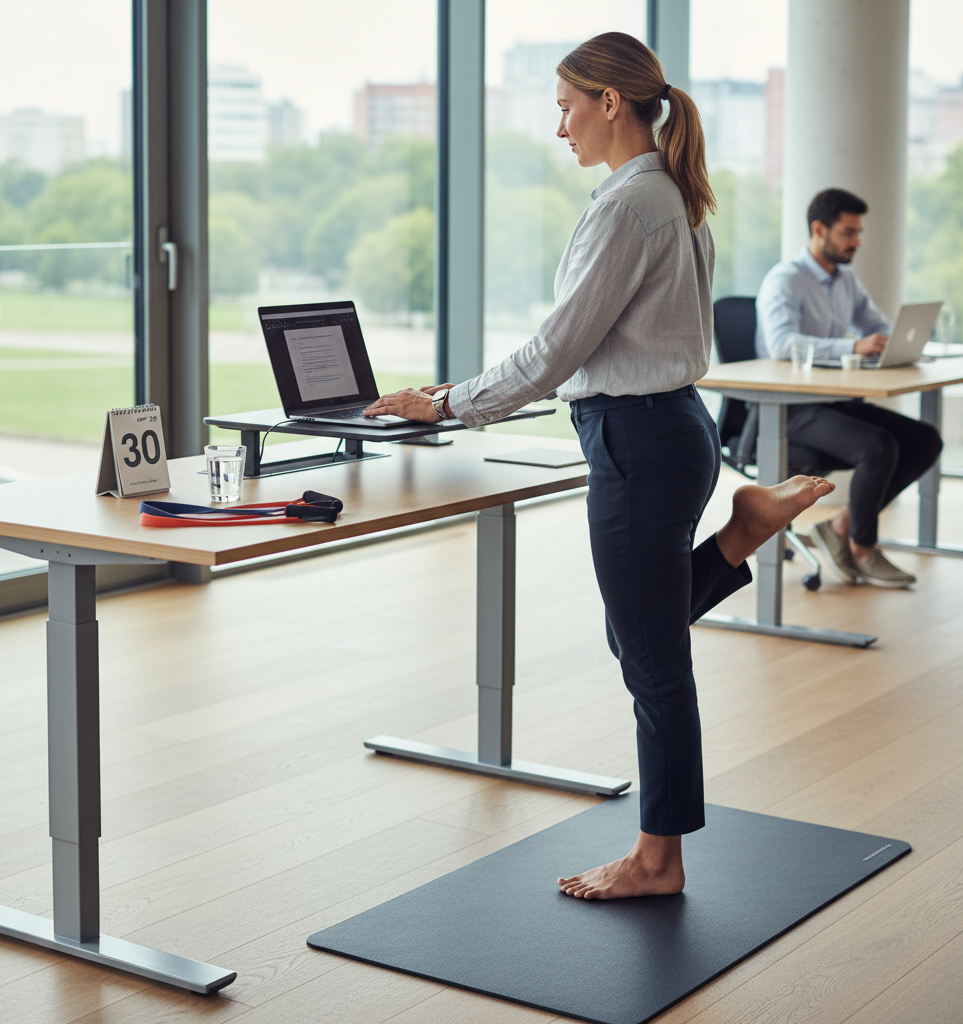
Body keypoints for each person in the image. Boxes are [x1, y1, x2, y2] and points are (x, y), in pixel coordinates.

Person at [365, 32, 834, 899]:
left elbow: (557, 349)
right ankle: (741, 536)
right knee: (641, 634)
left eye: (565, 106)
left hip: (637, 442)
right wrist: (462, 391)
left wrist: (449, 404)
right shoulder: (673, 195)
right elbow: (600, 346)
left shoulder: (629, 204)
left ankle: (658, 860)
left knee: (653, 662)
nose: (560, 127)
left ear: (609, 103)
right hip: (670, 432)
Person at [755, 188, 943, 588]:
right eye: (847, 232)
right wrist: (850, 347)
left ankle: (841, 526)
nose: (856, 241)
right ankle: (862, 547)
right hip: (790, 409)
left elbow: (875, 325)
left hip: (833, 401)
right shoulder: (785, 280)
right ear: (819, 229)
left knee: (925, 439)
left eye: (858, 232)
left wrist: (890, 343)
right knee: (878, 447)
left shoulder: (845, 280)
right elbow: (781, 343)